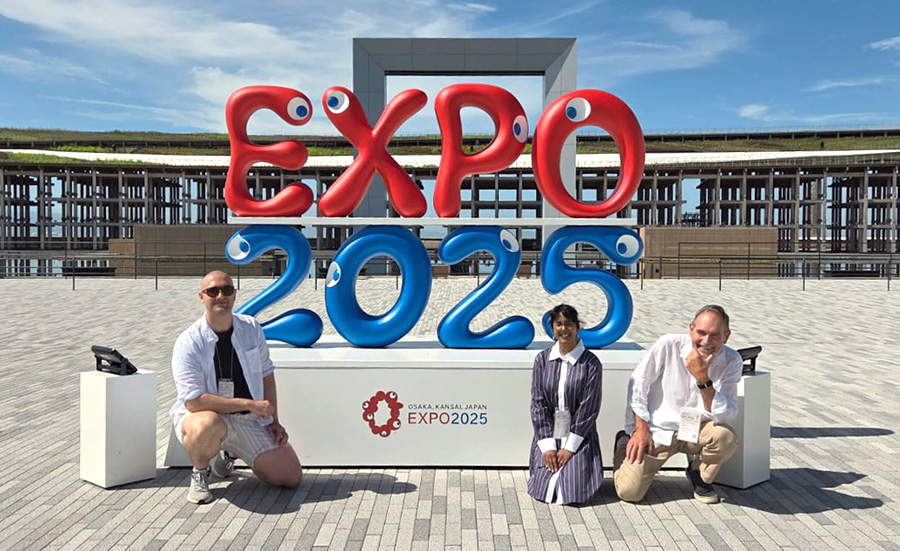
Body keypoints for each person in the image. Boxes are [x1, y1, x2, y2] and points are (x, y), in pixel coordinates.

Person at [170, 270, 302, 504]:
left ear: (234, 294)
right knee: (206, 425)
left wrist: (273, 420)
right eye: (213, 291)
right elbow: (193, 401)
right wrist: (247, 404)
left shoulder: (251, 328)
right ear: (202, 297)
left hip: (246, 420)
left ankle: (230, 454)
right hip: (205, 418)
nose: (221, 295)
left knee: (290, 477)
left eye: (227, 290)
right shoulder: (188, 342)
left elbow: (266, 374)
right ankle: (201, 472)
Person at [613, 305, 741, 504]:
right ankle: (623, 443)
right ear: (691, 329)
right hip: (659, 429)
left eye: (715, 335)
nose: (706, 341)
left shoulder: (732, 361)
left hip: (696, 429)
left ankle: (699, 474)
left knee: (725, 437)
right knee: (629, 492)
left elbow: (725, 415)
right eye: (701, 333)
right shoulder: (668, 345)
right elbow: (638, 384)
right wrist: (640, 429)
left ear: (726, 336)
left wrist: (702, 378)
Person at [527, 304, 603, 505]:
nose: (563, 329)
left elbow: (589, 408)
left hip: (579, 435)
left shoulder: (591, 364)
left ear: (577, 327)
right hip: (550, 432)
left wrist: (569, 448)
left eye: (568, 324)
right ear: (552, 328)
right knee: (542, 489)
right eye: (558, 324)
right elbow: (538, 403)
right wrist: (547, 446)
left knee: (574, 490)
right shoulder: (542, 360)